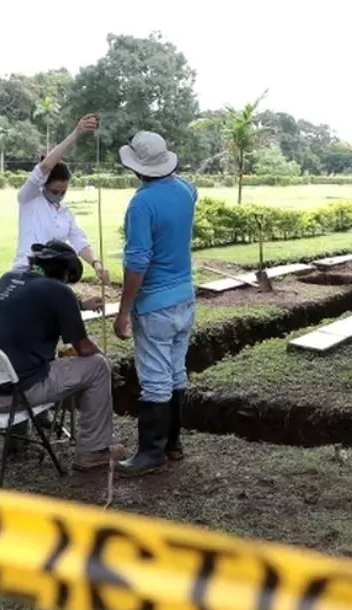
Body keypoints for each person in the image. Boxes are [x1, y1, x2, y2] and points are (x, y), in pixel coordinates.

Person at [0, 240, 125, 471]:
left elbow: (32, 303)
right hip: (10, 398)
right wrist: (103, 354)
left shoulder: (8, 278)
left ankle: (17, 437)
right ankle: (93, 451)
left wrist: (78, 305)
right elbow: (83, 348)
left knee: (17, 355)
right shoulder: (59, 291)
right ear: (64, 272)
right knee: (98, 366)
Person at [111, 131, 198, 477]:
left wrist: (123, 312)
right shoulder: (186, 190)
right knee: (176, 372)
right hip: (185, 297)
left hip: (155, 304)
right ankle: (173, 444)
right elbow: (190, 195)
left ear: (136, 167)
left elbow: (137, 262)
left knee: (155, 380)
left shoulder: (142, 203)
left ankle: (151, 453)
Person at [11, 114, 111, 297]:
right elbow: (45, 167)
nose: (58, 196)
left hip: (54, 278)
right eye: (54, 191)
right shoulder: (29, 198)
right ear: (44, 185)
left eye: (63, 192)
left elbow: (79, 242)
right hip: (26, 273)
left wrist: (96, 264)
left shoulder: (66, 213)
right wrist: (76, 134)